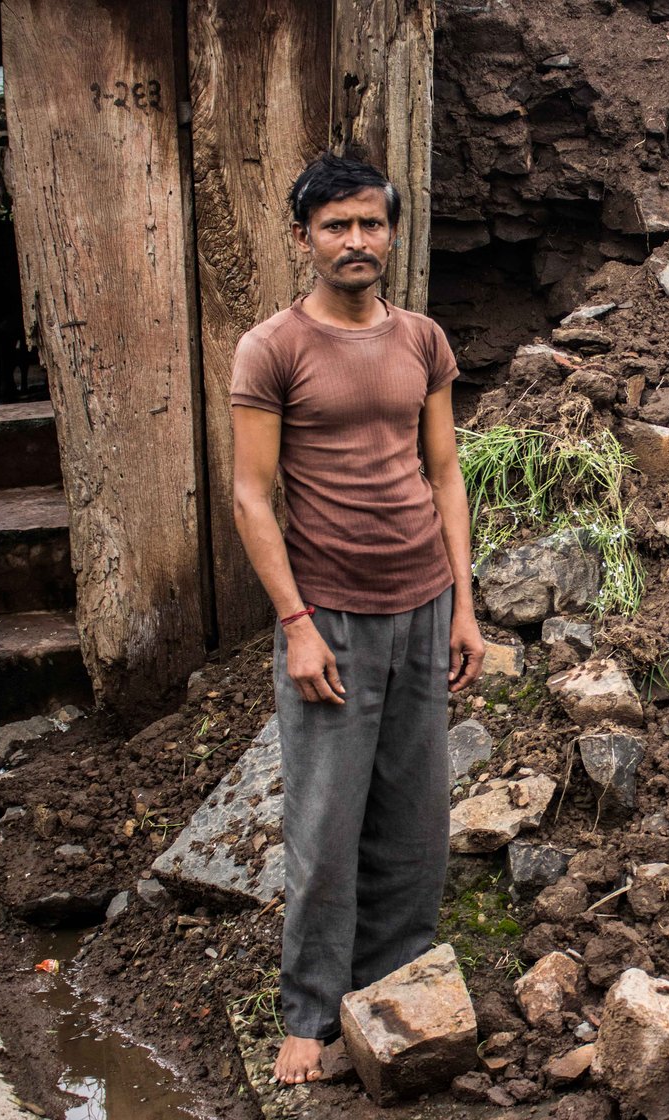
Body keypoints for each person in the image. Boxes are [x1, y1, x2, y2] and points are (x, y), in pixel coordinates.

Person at [229, 152, 484, 1086]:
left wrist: (465, 603)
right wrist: (295, 622)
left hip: (423, 605)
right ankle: (310, 1011)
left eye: (371, 224)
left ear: (391, 232)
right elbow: (253, 497)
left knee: (416, 815)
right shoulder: (273, 349)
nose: (357, 241)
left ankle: (393, 983)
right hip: (330, 613)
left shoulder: (423, 339)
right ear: (304, 239)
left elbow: (445, 472)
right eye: (336, 226)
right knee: (326, 820)